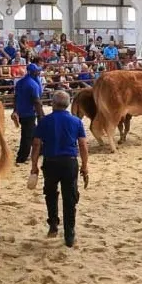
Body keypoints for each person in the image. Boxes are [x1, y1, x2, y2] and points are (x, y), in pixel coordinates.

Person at [31, 90, 89, 248]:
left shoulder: (44, 121)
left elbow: (36, 144)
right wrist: (85, 165)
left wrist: (34, 166)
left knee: (50, 193)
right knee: (70, 198)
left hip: (50, 162)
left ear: (53, 104)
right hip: (69, 162)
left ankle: (53, 225)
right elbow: (83, 145)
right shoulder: (76, 122)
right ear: (68, 104)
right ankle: (69, 233)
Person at [12, 63, 45, 164]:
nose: (39, 72)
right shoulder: (33, 84)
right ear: (33, 72)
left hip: (21, 112)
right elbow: (36, 101)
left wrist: (15, 110)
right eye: (37, 71)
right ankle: (21, 157)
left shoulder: (20, 82)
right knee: (27, 136)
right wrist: (41, 115)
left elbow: (16, 97)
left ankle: (41, 150)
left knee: (33, 132)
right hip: (29, 113)